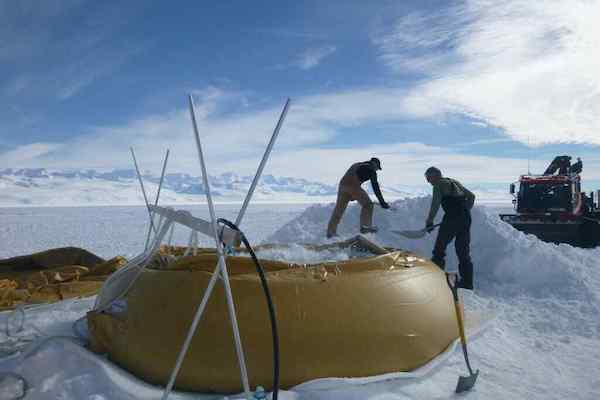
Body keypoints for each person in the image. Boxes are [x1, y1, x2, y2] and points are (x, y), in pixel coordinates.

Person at [424, 167, 475, 289]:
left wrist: (429, 221)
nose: (428, 182)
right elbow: (472, 196)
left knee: (439, 249)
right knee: (463, 251)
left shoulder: (438, 185)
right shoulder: (454, 182)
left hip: (452, 218)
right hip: (466, 218)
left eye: (428, 178)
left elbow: (435, 204)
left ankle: (435, 280)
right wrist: (463, 211)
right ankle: (467, 283)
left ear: (434, 176)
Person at [327, 158, 390, 238]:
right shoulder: (371, 169)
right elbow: (375, 188)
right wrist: (382, 202)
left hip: (342, 186)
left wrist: (352, 194)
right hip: (352, 186)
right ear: (375, 164)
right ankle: (365, 227)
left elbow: (355, 176)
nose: (377, 170)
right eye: (377, 168)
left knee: (339, 210)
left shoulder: (356, 164)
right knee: (368, 205)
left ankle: (330, 232)